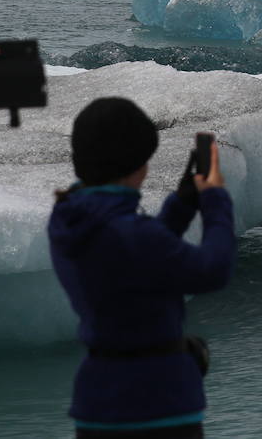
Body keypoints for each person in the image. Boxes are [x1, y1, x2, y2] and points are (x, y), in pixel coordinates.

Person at [48, 97, 235, 438]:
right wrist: (215, 200)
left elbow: (136, 255)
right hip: (157, 407)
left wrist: (180, 204)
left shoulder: (68, 220)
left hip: (96, 407)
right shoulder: (132, 235)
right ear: (139, 166)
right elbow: (213, 269)